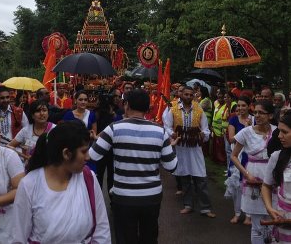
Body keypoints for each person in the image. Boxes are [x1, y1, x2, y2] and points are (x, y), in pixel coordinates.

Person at [91, 88, 177, 244]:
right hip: (151, 197)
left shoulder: (113, 128)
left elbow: (93, 154)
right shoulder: (160, 132)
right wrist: (171, 147)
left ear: (127, 105)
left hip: (123, 196)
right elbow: (171, 166)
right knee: (149, 237)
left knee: (125, 237)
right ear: (147, 108)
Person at [11, 121, 111, 244]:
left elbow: (102, 229)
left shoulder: (88, 178)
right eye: (84, 151)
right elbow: (18, 237)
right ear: (66, 154)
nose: (88, 157)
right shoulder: (29, 184)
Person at [164, 85, 216, 218]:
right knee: (185, 176)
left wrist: (202, 135)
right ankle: (188, 205)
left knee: (201, 177)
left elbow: (205, 129)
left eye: (190, 94)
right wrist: (173, 134)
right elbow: (167, 126)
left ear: (193, 96)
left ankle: (205, 208)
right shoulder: (173, 109)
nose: (188, 96)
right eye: (186, 94)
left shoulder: (199, 110)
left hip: (195, 148)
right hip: (181, 148)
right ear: (181, 95)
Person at [230, 100, 276, 243]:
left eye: (261, 112)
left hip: (273, 178)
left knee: (273, 220)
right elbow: (234, 156)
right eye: (255, 112)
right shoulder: (246, 132)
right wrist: (247, 174)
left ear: (271, 115)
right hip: (253, 176)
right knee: (257, 225)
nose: (257, 115)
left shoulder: (277, 132)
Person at [262, 112, 291, 243]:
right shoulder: (277, 157)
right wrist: (270, 208)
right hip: (282, 221)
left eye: (285, 132)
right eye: (279, 131)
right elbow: (266, 185)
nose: (279, 136)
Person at [225, 95, 253, 225]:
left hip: (250, 156)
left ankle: (248, 215)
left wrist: (250, 127)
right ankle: (237, 213)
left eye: (244, 105)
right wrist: (247, 130)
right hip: (236, 155)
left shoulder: (254, 119)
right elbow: (231, 139)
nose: (241, 108)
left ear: (249, 106)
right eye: (239, 105)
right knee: (236, 186)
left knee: (248, 185)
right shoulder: (233, 119)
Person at [7, 100, 55, 164]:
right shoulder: (26, 130)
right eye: (38, 111)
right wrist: (23, 155)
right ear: (32, 115)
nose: (42, 113)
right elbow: (9, 147)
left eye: (44, 110)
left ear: (48, 113)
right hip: (30, 168)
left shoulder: (54, 129)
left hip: (49, 168)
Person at [93, 92, 123, 191]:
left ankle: (112, 200)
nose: (117, 98)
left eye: (119, 96)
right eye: (115, 96)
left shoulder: (118, 111)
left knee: (112, 175)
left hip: (113, 148)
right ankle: (98, 199)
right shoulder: (99, 112)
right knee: (99, 175)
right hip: (100, 145)